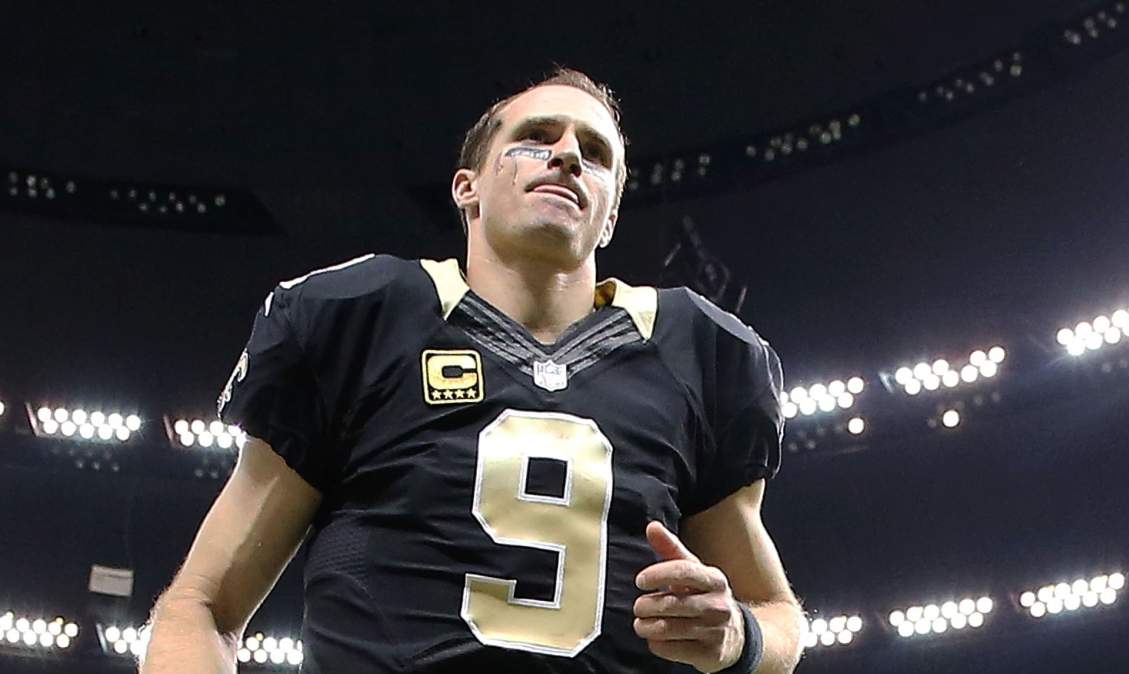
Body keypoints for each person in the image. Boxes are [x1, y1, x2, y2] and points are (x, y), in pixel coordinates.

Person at [141, 67, 806, 673]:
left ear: (609, 217)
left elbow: (778, 616)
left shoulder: (699, 354)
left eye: (595, 153)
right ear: (469, 188)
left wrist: (739, 635)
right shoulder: (362, 322)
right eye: (536, 137)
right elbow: (202, 608)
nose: (568, 155)